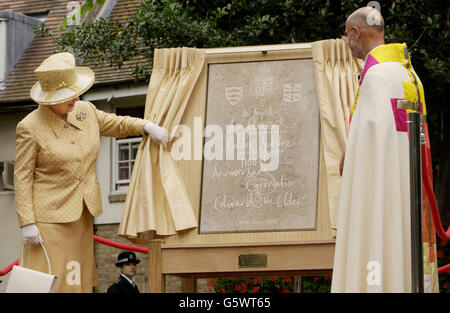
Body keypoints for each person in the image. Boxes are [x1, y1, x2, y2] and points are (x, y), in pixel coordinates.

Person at [14, 52, 169, 293]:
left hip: (82, 215)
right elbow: (21, 178)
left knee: (78, 280)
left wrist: (146, 126)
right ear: (49, 98)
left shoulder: (84, 110)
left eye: (75, 92)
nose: (75, 98)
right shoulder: (29, 127)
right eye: (68, 95)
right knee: (51, 283)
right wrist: (27, 223)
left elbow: (116, 124)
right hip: (47, 220)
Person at [331, 7, 435, 292]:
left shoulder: (375, 76)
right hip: (406, 188)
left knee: (375, 227)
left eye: (346, 35)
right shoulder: (408, 73)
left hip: (379, 187)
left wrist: (350, 159)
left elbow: (368, 143)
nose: (347, 42)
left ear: (355, 33)